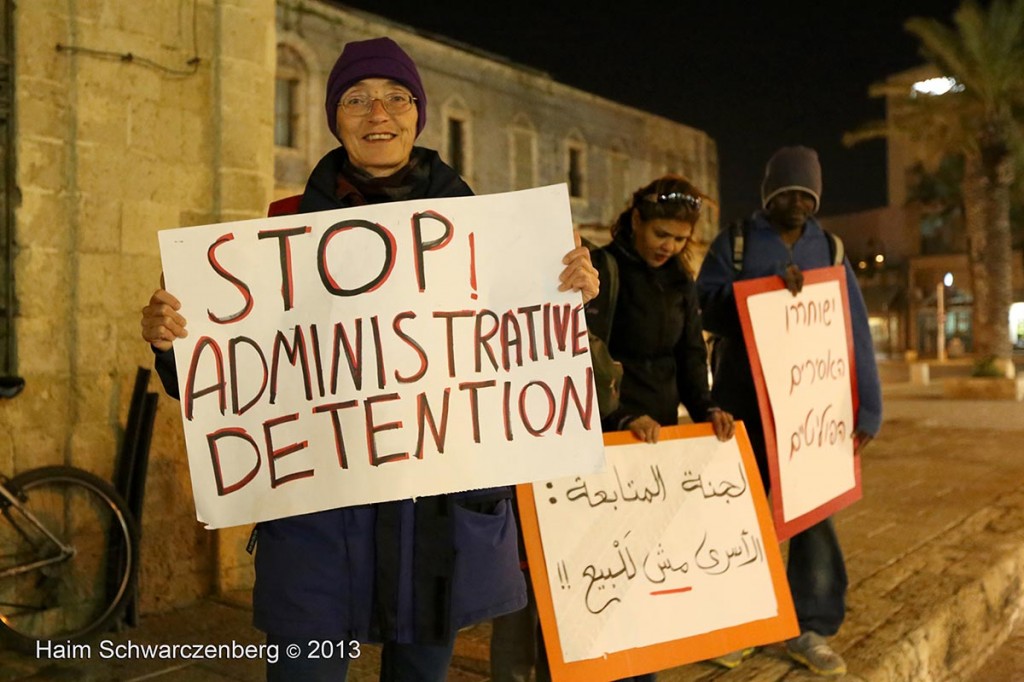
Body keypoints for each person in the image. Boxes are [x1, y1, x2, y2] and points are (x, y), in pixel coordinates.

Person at [139, 36, 599, 682]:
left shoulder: (490, 234)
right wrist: (174, 345)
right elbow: (232, 380)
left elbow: (519, 359)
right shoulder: (282, 231)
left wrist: (570, 302)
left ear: (419, 113)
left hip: (435, 526)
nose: (377, 113)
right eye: (356, 99)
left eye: (395, 97)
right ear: (335, 118)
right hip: (318, 526)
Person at [489, 175, 735, 682]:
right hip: (600, 442)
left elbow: (690, 354)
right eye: (661, 234)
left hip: (654, 447)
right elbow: (580, 358)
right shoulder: (602, 270)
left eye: (680, 239)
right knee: (586, 569)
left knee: (640, 567)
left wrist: (707, 407)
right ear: (636, 221)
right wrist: (619, 418)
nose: (669, 247)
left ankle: (632, 665)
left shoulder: (679, 281)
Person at [695, 146, 882, 677]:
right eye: (788, 193)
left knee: (813, 517)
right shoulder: (733, 242)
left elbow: (854, 330)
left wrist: (867, 408)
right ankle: (745, 622)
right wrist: (760, 291)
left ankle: (811, 626)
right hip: (743, 403)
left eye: (808, 194)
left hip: (810, 410)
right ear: (769, 194)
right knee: (742, 516)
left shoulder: (832, 247)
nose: (799, 202)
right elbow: (703, 302)